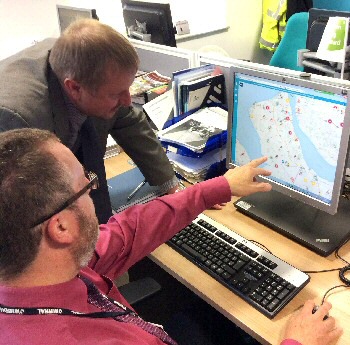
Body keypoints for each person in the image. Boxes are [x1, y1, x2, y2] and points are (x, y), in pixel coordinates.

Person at [0, 128, 343, 345]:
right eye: (87, 186)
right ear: (61, 228)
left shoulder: (40, 271)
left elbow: (126, 232)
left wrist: (215, 189)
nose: (96, 190)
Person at [0, 18, 179, 224]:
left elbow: (130, 122)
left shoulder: (87, 68)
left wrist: (170, 185)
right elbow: (23, 216)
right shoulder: (17, 120)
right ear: (75, 88)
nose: (127, 100)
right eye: (116, 94)